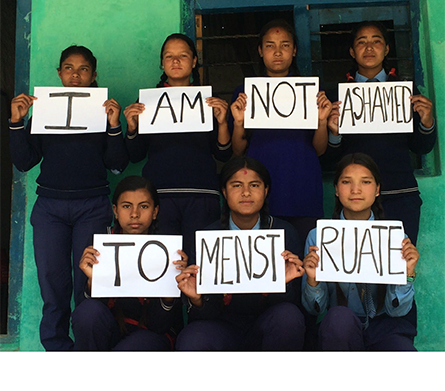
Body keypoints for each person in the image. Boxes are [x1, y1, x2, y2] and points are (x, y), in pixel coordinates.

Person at [8, 45, 129, 351]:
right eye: (69, 69)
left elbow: (116, 164)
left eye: (84, 69)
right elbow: (24, 161)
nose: (76, 76)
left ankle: (89, 350)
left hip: (92, 206)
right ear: (59, 73)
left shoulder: (103, 112)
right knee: (52, 283)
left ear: (94, 76)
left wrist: (114, 125)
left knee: (87, 282)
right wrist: (16, 122)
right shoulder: (45, 110)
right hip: (50, 207)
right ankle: (58, 352)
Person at [322, 21, 436, 245]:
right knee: (356, 267)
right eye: (361, 42)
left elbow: (421, 147)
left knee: (401, 266)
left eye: (376, 41)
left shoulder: (406, 91)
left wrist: (426, 121)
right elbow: (328, 158)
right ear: (352, 52)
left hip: (400, 194)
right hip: (356, 199)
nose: (369, 47)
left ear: (386, 49)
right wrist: (334, 133)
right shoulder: (337, 94)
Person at [175, 156, 306, 351]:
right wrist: (197, 299)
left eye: (254, 185)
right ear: (224, 192)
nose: (246, 193)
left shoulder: (284, 233)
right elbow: (202, 316)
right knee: (192, 338)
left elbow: (292, 306)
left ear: (266, 190)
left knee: (289, 317)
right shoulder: (208, 237)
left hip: (267, 323)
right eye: (236, 185)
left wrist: (284, 284)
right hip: (221, 327)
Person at [124, 33, 232, 262]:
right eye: (169, 56)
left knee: (201, 266)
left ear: (194, 61)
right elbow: (135, 156)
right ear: (162, 63)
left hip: (202, 195)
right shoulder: (147, 103)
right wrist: (132, 127)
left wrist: (222, 122)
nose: (175, 61)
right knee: (163, 266)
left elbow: (224, 153)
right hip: (159, 197)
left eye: (182, 55)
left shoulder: (208, 101)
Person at [302, 153, 419, 351]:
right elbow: (315, 309)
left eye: (365, 182)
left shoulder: (395, 236)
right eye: (346, 182)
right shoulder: (317, 237)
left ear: (377, 189)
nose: (356, 190)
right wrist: (313, 280)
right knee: (339, 318)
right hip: (339, 327)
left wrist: (407, 275)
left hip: (385, 326)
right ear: (337, 190)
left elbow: (398, 311)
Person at [230, 19, 332, 244]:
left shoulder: (312, 92)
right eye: (270, 45)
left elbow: (320, 150)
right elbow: (238, 152)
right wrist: (238, 123)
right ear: (260, 51)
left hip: (303, 187)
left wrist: (322, 122)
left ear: (294, 50)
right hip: (261, 192)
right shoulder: (245, 93)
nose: (277, 52)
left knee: (305, 262)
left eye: (285, 45)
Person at [71, 175, 187, 351]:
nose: (134, 214)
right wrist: (93, 281)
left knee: (138, 345)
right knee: (88, 312)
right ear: (115, 211)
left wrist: (170, 288)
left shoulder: (169, 252)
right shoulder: (101, 246)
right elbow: (86, 317)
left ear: (155, 212)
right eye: (126, 206)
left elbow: (160, 326)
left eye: (144, 206)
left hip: (152, 336)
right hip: (110, 330)